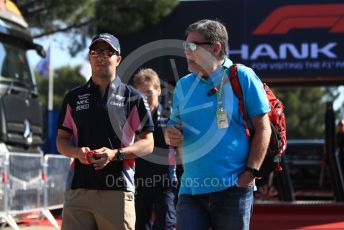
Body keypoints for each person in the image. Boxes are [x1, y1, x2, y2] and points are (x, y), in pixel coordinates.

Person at [164, 19, 272, 230]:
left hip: (234, 189)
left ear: (215, 48)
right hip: (190, 191)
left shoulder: (242, 76)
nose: (186, 51)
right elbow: (172, 132)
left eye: (193, 46)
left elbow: (264, 127)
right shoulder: (183, 85)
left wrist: (249, 174)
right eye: (185, 46)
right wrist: (171, 134)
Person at [56, 33, 154, 230]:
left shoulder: (132, 97)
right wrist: (77, 153)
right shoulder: (73, 97)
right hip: (78, 190)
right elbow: (62, 140)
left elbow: (148, 143)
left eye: (108, 51)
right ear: (90, 57)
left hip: (117, 190)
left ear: (118, 59)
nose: (101, 56)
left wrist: (115, 155)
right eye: (96, 51)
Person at [133, 68, 177, 230]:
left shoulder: (171, 117)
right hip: (138, 182)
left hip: (165, 183)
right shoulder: (130, 121)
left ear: (159, 91)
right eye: (140, 94)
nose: (145, 99)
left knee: (165, 225)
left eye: (149, 93)